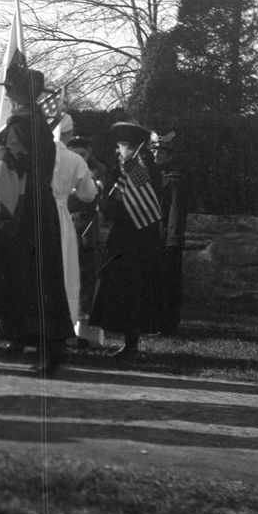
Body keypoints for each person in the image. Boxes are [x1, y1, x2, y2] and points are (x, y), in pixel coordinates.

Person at [0, 58, 72, 375]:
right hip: (39, 209)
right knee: (39, 279)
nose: (9, 97)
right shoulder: (39, 124)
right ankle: (46, 349)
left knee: (1, 275)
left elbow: (15, 163)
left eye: (10, 91)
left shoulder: (19, 126)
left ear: (16, 95)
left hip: (19, 210)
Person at [89, 120, 165, 361]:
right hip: (139, 237)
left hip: (131, 239)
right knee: (132, 289)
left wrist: (104, 201)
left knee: (131, 290)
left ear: (131, 146)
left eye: (120, 145)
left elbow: (121, 208)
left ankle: (131, 344)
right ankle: (130, 341)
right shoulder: (142, 168)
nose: (116, 150)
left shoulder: (135, 170)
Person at [50, 114, 99, 345]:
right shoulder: (74, 160)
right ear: (69, 134)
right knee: (66, 272)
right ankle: (63, 330)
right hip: (60, 215)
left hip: (37, 215)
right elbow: (88, 195)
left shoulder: (37, 154)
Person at [62, 134, 107, 349]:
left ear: (90, 154)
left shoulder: (97, 170)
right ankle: (69, 330)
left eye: (83, 153)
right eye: (76, 153)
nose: (80, 157)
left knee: (88, 277)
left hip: (88, 229)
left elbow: (91, 193)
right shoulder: (66, 166)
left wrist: (74, 192)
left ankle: (87, 334)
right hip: (68, 224)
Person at [150, 131, 187, 333]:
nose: (157, 154)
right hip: (148, 234)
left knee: (167, 279)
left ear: (168, 156)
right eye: (154, 150)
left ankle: (167, 322)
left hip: (165, 236)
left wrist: (172, 238)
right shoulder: (146, 176)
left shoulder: (173, 180)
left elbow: (176, 210)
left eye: (162, 151)